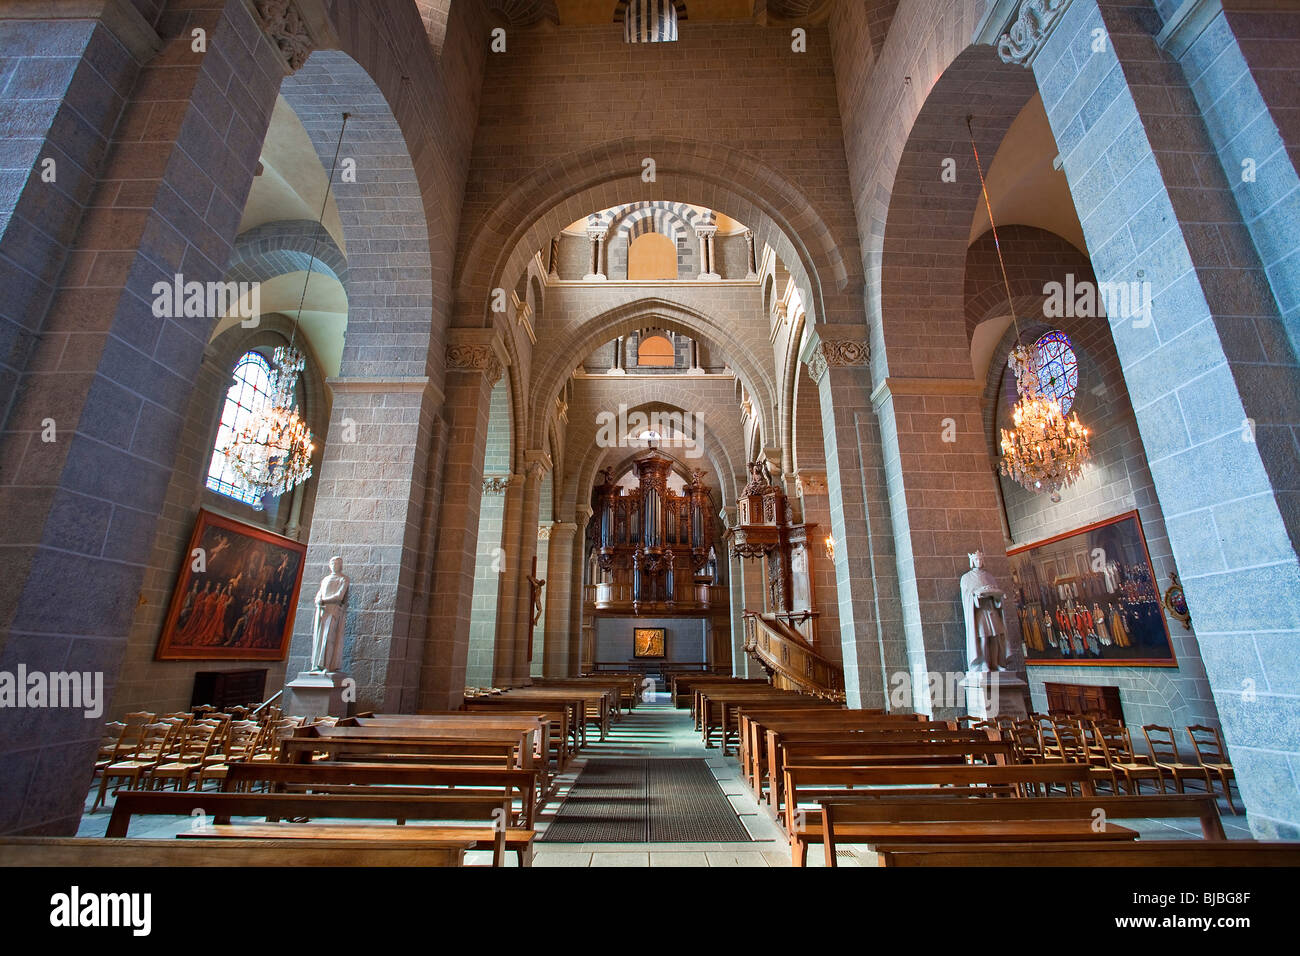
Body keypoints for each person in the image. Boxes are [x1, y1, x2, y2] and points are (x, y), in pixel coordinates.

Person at [309, 556, 350, 672]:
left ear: (340, 565)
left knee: (329, 637)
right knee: (319, 638)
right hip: (322, 610)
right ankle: (317, 664)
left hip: (333, 610)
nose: (334, 565)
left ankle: (328, 664)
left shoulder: (343, 579)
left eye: (337, 563)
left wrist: (324, 600)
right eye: (332, 563)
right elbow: (319, 593)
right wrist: (318, 600)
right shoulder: (326, 579)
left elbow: (339, 596)